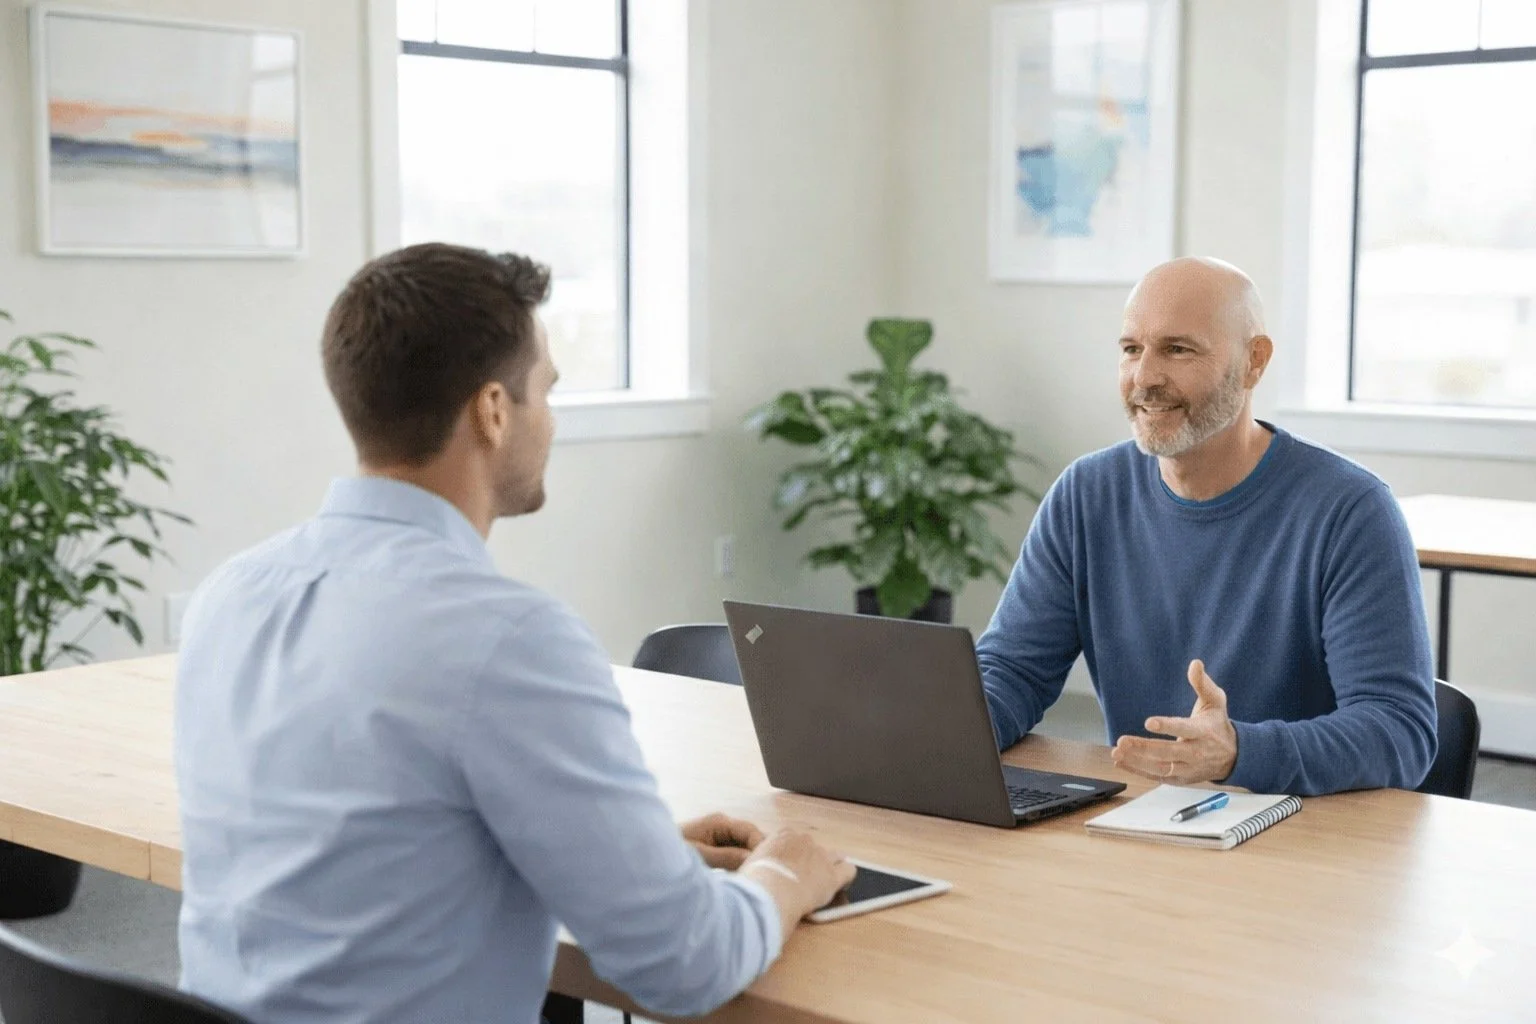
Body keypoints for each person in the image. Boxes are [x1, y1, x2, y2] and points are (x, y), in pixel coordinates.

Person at [174, 242, 854, 1024]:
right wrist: (787, 876)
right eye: (547, 393)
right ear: (493, 411)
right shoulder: (508, 638)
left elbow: (352, 842)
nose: (551, 422)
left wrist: (624, 853)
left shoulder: (231, 594)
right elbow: (685, 964)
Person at [975, 256, 1437, 797]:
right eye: (1131, 349)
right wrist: (931, 729)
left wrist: (1239, 751)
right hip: (1144, 822)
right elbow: (1010, 672)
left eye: (1178, 349)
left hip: (1302, 833)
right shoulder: (1086, 494)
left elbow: (1398, 731)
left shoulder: (1351, 510)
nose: (1144, 378)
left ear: (1253, 362)